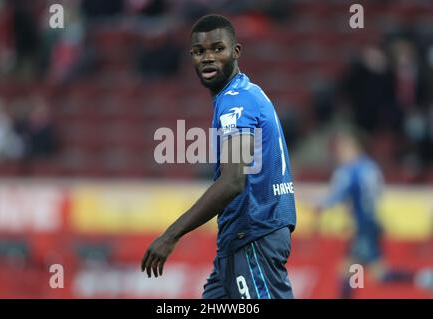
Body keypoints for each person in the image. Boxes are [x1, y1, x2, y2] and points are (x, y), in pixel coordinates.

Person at [141, 14, 297, 299]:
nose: (208, 58)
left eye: (218, 48)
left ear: (236, 52)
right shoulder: (246, 93)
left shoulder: (236, 102)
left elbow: (232, 181)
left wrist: (171, 235)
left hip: (253, 237)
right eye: (200, 52)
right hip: (239, 240)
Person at [314, 129, 414, 299]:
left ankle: (424, 278)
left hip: (363, 227)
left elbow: (337, 195)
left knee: (368, 273)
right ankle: (423, 278)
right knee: (358, 271)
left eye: (342, 148)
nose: (339, 153)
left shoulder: (349, 170)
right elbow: (375, 195)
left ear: (354, 148)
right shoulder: (371, 167)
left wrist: (320, 207)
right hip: (371, 224)